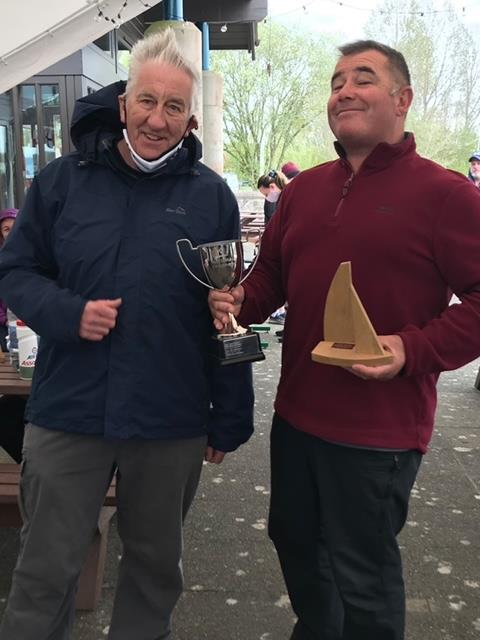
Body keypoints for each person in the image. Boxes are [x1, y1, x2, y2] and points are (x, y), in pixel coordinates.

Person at [209, 39, 480, 640]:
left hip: (380, 430)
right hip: (298, 415)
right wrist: (237, 300)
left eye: (363, 79)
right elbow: (273, 279)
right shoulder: (305, 191)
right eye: (336, 83)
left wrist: (414, 348)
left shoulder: (449, 196)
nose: (344, 92)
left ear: (403, 100)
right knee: (296, 543)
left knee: (363, 573)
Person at [0, 29, 253, 640]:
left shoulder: (210, 198)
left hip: (168, 417)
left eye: (173, 108)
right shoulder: (62, 183)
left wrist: (231, 412)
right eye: (146, 101)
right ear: (123, 103)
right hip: (70, 410)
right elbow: (16, 272)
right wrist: (68, 313)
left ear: (190, 119)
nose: (156, 119)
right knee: (44, 570)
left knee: (154, 568)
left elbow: (226, 310)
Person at [0, 208, 18, 351]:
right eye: (6, 229)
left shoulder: (38, 254)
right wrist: (5, 320)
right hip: (6, 325)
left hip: (34, 322)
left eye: (15, 227)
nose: (11, 233)